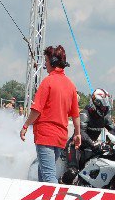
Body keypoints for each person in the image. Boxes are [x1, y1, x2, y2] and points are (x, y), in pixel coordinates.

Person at [20, 45, 81, 183]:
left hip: (46, 136)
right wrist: (77, 134)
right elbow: (75, 115)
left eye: (46, 61)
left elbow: (36, 110)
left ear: (53, 62)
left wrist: (25, 126)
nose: (45, 65)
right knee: (43, 174)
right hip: (60, 138)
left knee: (48, 177)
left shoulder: (47, 82)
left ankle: (56, 197)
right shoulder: (71, 85)